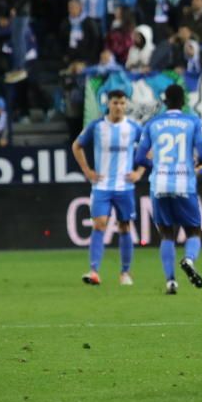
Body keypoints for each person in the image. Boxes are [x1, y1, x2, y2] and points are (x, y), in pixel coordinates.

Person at [135, 85, 202, 294]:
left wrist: (157, 165)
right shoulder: (193, 121)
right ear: (183, 102)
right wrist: (193, 163)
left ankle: (171, 282)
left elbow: (139, 158)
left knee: (167, 235)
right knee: (194, 231)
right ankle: (188, 259)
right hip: (184, 183)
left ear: (165, 101)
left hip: (158, 184)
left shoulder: (152, 124)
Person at [71, 90, 144, 286]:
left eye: (122, 103)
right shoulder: (97, 126)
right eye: (115, 103)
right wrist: (87, 171)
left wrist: (139, 172)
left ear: (126, 105)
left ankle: (125, 273)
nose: (119, 107)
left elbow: (149, 148)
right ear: (108, 104)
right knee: (99, 224)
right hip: (101, 185)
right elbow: (76, 146)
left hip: (125, 187)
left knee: (125, 227)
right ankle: (94, 271)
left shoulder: (133, 127)